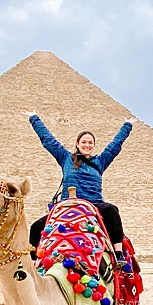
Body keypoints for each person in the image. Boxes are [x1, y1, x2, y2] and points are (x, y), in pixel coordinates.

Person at [22, 111, 134, 259]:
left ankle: (118, 254)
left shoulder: (100, 162)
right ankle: (33, 263)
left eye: (90, 143)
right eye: (84, 142)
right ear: (77, 144)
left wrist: (127, 126)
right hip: (68, 205)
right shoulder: (65, 158)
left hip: (93, 204)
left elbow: (115, 146)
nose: (87, 145)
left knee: (111, 211)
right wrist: (34, 118)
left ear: (94, 145)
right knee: (36, 227)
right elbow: (48, 140)